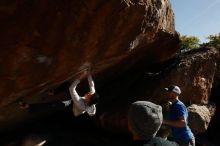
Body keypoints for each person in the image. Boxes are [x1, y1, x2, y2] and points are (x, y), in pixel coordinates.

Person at [19, 70, 99, 117]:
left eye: (89, 95)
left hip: (73, 107)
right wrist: (88, 73)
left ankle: (29, 107)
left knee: (54, 104)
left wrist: (80, 77)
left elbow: (72, 89)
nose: (88, 93)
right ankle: (53, 92)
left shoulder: (80, 103)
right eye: (90, 93)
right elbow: (92, 85)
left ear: (88, 101)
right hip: (78, 101)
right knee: (66, 84)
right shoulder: (92, 96)